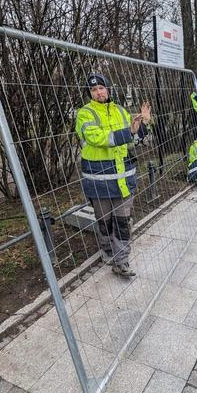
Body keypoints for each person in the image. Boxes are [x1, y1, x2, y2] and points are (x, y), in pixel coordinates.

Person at [75, 73, 151, 277]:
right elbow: (96, 137)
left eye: (101, 87)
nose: (98, 92)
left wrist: (143, 124)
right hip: (99, 181)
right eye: (93, 89)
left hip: (124, 178)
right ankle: (108, 251)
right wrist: (129, 132)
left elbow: (133, 139)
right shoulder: (85, 113)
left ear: (108, 89)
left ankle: (122, 261)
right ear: (90, 93)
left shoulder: (120, 111)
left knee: (123, 222)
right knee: (104, 221)